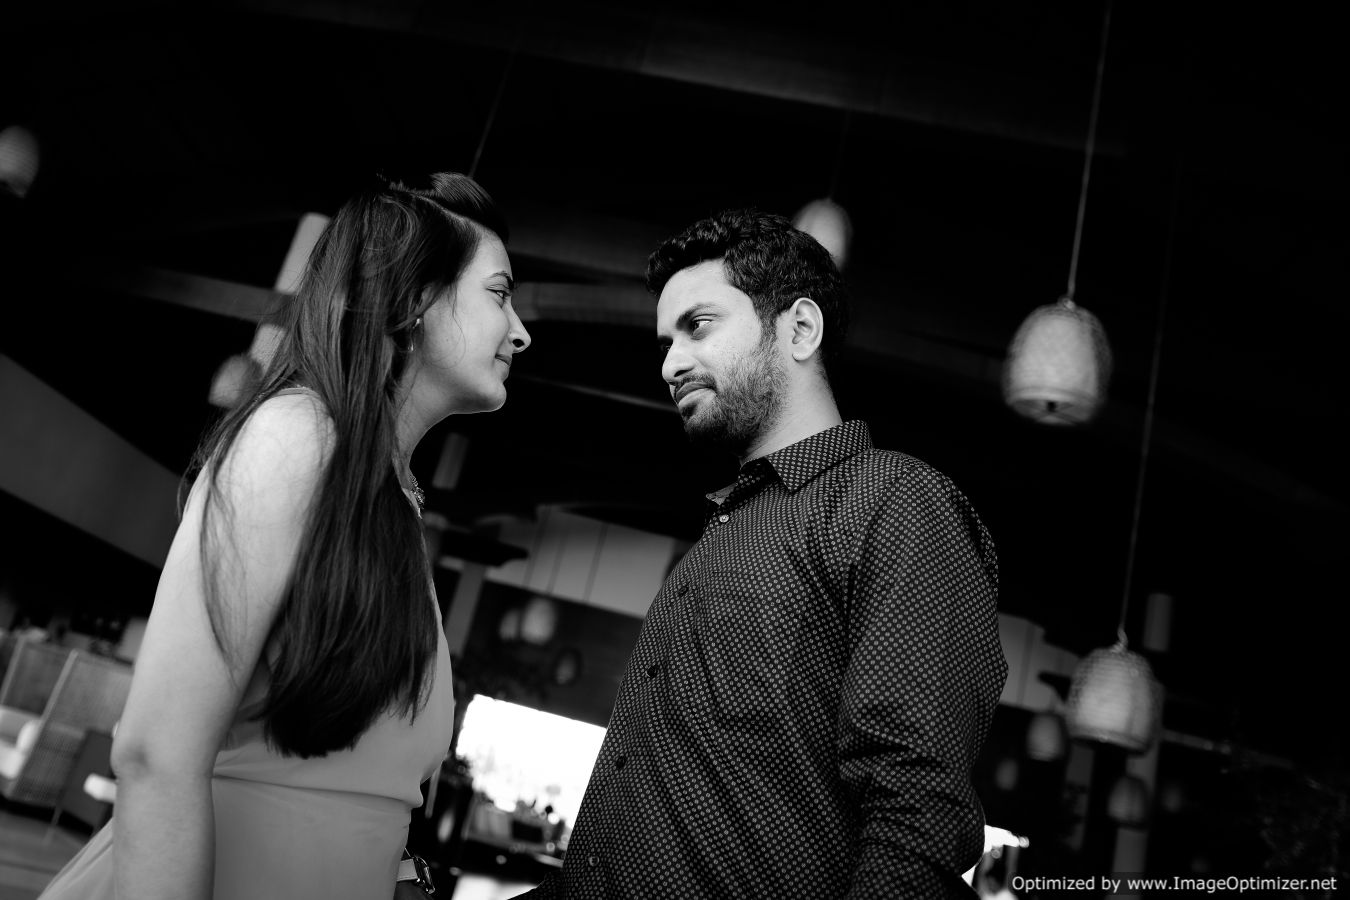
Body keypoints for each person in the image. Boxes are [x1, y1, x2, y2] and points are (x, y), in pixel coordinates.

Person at [40, 172, 531, 900]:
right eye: (499, 294)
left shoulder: (390, 499)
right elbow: (155, 754)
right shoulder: (296, 437)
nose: (520, 330)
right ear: (415, 301)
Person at [521, 210, 1006, 899]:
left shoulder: (896, 503)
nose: (669, 365)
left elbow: (916, 819)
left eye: (698, 326)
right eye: (665, 342)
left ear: (799, 329)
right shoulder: (720, 537)